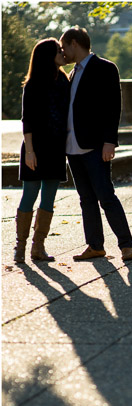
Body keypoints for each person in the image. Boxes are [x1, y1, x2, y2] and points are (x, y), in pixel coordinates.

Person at [59, 26, 132, 262]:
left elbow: (113, 107)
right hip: (73, 147)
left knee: (106, 196)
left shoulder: (105, 68)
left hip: (95, 146)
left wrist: (109, 142)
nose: (63, 53)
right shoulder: (71, 74)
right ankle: (95, 245)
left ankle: (127, 245)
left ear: (74, 43)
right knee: (86, 199)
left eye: (64, 47)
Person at [15, 38, 70, 264]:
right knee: (30, 193)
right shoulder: (33, 84)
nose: (63, 53)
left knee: (49, 197)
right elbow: (27, 120)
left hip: (56, 148)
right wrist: (29, 151)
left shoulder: (65, 81)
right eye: (59, 50)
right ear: (49, 55)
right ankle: (20, 247)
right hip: (35, 147)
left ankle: (38, 247)